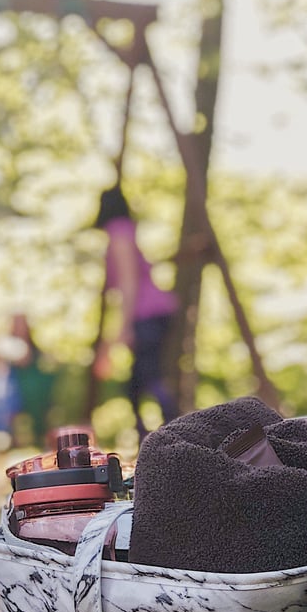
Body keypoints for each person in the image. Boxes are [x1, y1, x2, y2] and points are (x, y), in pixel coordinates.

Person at [93, 184, 179, 442]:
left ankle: (176, 435)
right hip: (153, 313)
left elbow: (129, 283)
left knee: (149, 379)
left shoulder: (118, 231)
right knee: (137, 383)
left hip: (146, 314)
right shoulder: (125, 230)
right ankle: (156, 439)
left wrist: (125, 326)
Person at [0, 313, 54, 448]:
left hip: (29, 390)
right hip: (9, 389)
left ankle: (35, 437)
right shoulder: (4, 346)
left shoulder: (34, 350)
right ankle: (1, 435)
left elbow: (32, 363)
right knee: (0, 395)